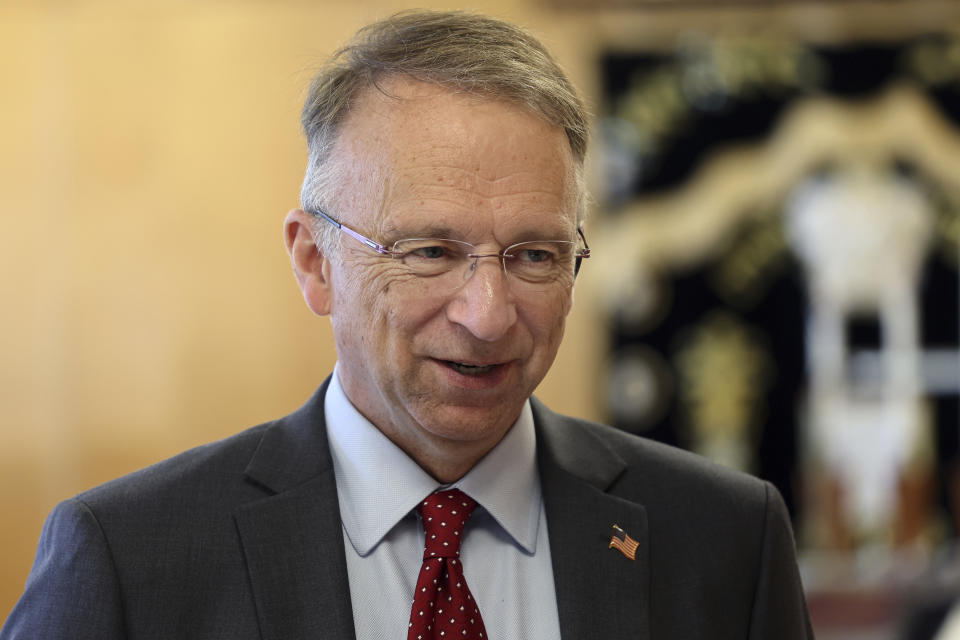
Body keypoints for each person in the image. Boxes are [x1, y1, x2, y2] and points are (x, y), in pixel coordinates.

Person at [1, 10, 813, 639]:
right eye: (429, 251)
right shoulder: (131, 561)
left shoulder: (726, 541)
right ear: (316, 263)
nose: (488, 315)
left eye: (534, 255)